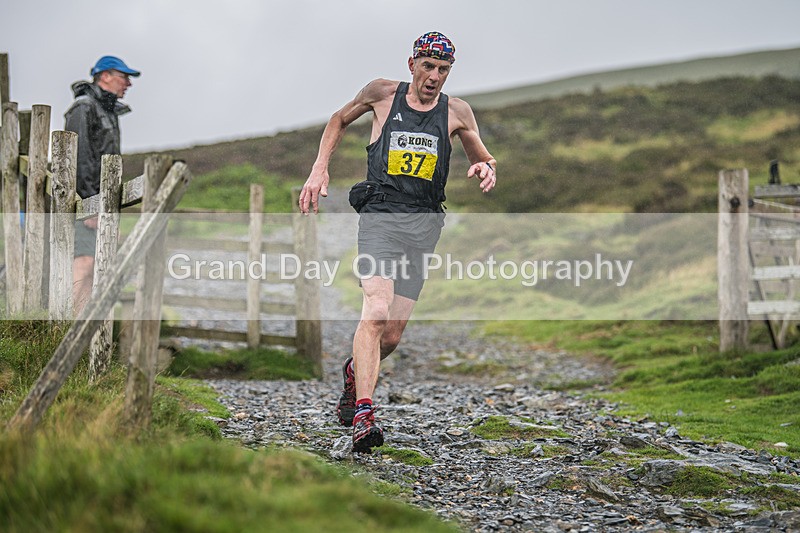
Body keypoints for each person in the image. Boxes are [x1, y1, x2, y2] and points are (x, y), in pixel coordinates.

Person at [298, 32, 497, 452]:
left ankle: (355, 373)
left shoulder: (457, 111)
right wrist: (320, 170)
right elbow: (338, 119)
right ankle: (364, 414)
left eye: (443, 70)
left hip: (424, 226)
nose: (434, 77)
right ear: (412, 65)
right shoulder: (382, 94)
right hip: (381, 216)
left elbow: (481, 154)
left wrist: (485, 168)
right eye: (428, 66)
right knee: (376, 309)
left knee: (390, 337)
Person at [65, 56, 140, 313]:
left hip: (100, 205)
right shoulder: (84, 107)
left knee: (95, 265)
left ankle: (81, 332)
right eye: (124, 77)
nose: (128, 83)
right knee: (84, 263)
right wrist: (89, 205)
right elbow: (79, 156)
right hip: (85, 204)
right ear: (105, 76)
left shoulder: (107, 111)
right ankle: (68, 335)